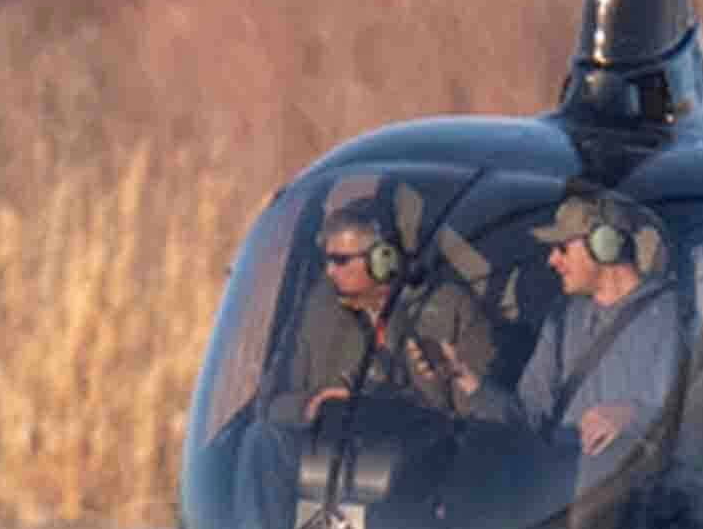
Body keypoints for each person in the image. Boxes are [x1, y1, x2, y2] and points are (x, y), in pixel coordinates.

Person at [265, 203, 501, 430]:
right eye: (327, 261)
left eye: (340, 260)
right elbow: (268, 407)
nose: (330, 271)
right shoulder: (316, 310)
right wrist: (313, 405)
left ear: (382, 259)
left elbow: (495, 424)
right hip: (334, 452)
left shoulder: (452, 309)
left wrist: (461, 377)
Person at [515, 194, 680, 461]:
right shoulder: (562, 317)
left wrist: (633, 414)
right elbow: (529, 409)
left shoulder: (669, 316)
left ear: (604, 245)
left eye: (562, 247)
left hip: (627, 479)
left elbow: (690, 415)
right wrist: (474, 390)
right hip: (561, 477)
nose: (552, 260)